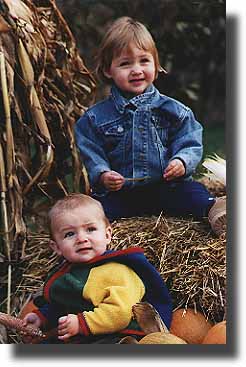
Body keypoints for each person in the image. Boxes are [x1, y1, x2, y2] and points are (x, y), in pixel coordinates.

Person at [74, 16, 226, 236]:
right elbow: (91, 151)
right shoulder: (95, 118)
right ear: (108, 70)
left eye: (144, 61)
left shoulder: (175, 111)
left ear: (156, 65)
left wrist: (181, 161)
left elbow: (190, 141)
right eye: (125, 64)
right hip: (121, 194)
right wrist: (103, 174)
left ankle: (219, 213)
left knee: (196, 195)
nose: (136, 70)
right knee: (94, 210)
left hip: (168, 188)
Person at [22, 193, 172, 344]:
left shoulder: (117, 270)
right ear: (57, 247)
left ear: (107, 235)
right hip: (82, 335)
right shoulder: (68, 274)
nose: (82, 238)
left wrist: (82, 323)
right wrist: (41, 317)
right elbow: (64, 305)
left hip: (116, 335)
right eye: (69, 234)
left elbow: (120, 312)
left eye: (90, 229)